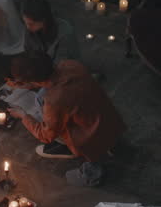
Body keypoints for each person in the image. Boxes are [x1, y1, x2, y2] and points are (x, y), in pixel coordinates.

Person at [8, 52, 126, 186]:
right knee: (41, 98)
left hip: (90, 139)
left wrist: (23, 115)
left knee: (71, 175)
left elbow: (46, 136)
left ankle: (91, 171)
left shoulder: (54, 100)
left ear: (29, 82)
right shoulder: (71, 65)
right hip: (111, 120)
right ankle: (114, 145)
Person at [21, 0, 81, 64]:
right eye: (25, 22)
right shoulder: (31, 29)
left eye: (31, 24)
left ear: (43, 20)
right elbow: (28, 50)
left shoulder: (65, 35)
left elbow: (60, 65)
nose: (27, 27)